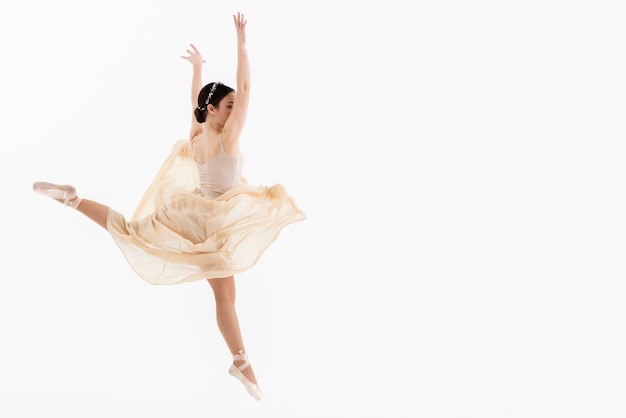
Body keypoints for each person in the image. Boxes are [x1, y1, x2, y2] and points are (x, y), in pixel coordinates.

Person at [32, 12, 306, 401]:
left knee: (130, 230)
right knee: (225, 297)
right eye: (227, 106)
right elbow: (245, 89)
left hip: (196, 217)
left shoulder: (196, 135)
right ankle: (241, 361)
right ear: (214, 110)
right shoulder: (227, 140)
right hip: (217, 225)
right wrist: (242, 46)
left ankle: (74, 199)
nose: (234, 111)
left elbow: (199, 102)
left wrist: (196, 70)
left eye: (231, 107)